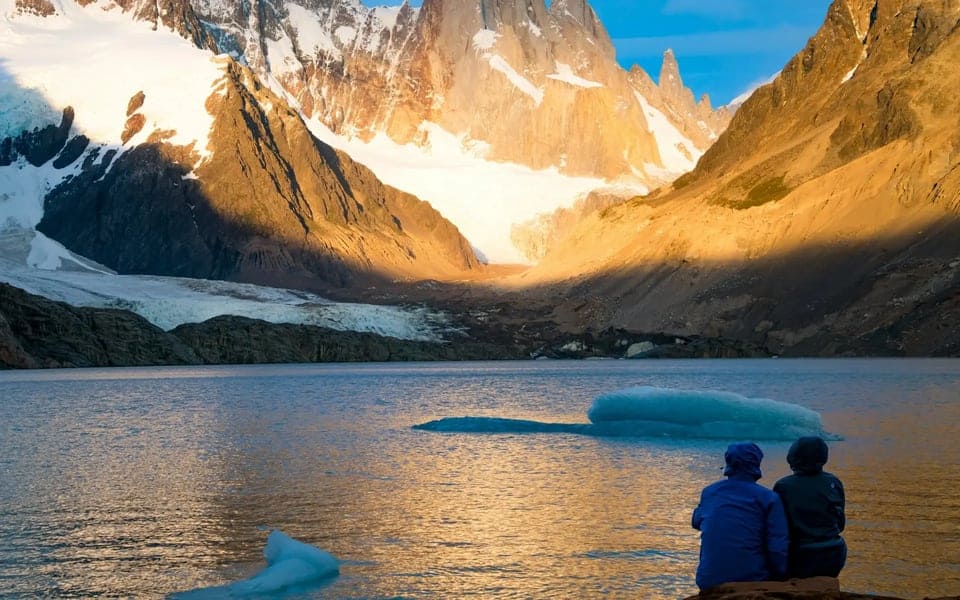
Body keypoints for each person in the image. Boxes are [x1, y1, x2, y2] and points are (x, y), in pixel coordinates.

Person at [692, 442, 789, 590]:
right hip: (752, 579)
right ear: (756, 463)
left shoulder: (710, 492)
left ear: (728, 463)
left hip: (708, 580)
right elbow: (777, 547)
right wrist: (781, 577)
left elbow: (696, 521)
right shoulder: (768, 498)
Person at [774, 436, 846, 578]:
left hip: (801, 556)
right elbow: (840, 524)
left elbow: (778, 528)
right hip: (834, 553)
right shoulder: (834, 482)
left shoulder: (783, 486)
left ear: (792, 458)